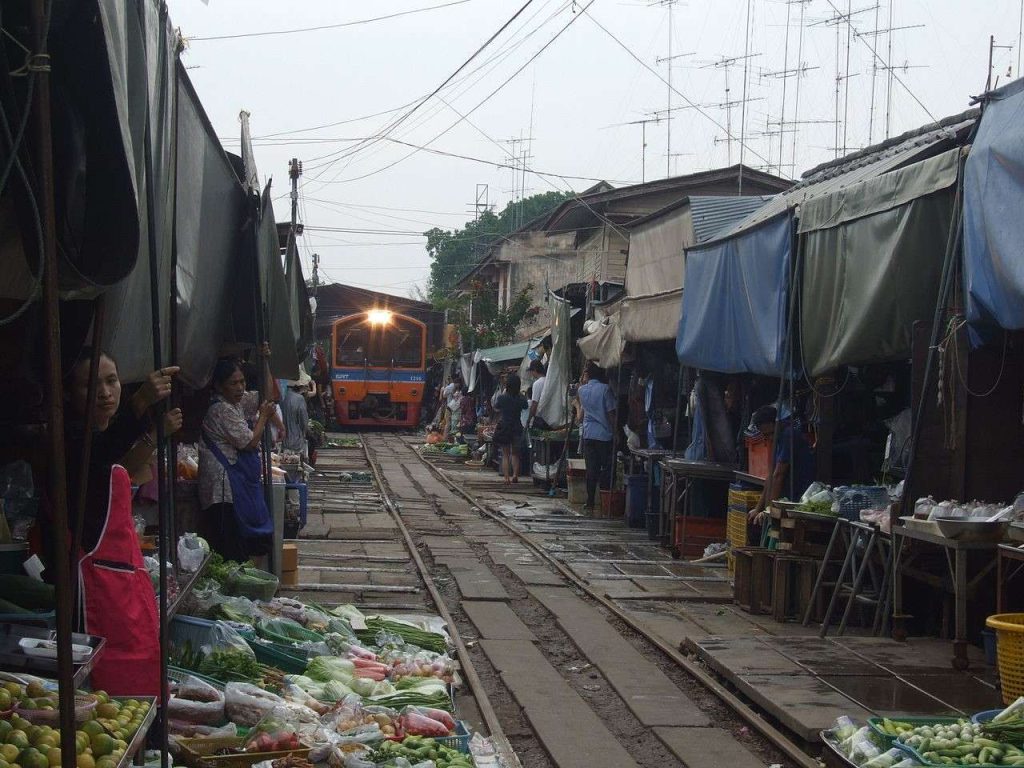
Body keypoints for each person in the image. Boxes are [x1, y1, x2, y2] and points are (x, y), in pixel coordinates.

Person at [59, 350, 181, 696]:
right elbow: (100, 453)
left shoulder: (107, 432)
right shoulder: (71, 440)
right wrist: (140, 403)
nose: (105, 392)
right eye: (90, 384)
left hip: (124, 578)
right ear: (69, 394)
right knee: (102, 684)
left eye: (111, 381)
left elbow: (122, 462)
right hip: (94, 585)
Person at [198, 354, 277, 563]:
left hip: (236, 486)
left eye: (242, 382)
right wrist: (263, 417)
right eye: (233, 383)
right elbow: (249, 442)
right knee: (231, 546)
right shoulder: (221, 409)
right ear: (219, 386)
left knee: (246, 541)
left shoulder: (236, 404)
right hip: (223, 489)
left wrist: (266, 360)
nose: (240, 387)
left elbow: (266, 397)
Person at [748, 405, 816, 523]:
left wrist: (769, 509)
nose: (769, 438)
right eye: (765, 435)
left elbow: (779, 475)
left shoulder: (788, 435)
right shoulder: (778, 439)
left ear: (776, 423)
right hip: (787, 494)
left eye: (770, 434)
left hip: (799, 496)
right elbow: (771, 476)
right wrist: (758, 508)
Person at [577, 362, 617, 510]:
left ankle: (590, 501)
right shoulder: (606, 390)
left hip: (588, 434)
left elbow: (580, 415)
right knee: (606, 468)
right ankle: (605, 501)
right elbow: (611, 414)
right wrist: (616, 432)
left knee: (591, 469)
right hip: (604, 434)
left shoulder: (581, 391)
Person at [493, 373, 528, 485]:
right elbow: (526, 406)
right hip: (517, 427)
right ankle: (515, 476)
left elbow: (496, 408)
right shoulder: (521, 399)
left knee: (505, 454)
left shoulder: (502, 398)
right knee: (515, 454)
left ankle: (506, 477)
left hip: (505, 427)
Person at [281, 382, 310, 458]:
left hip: (283, 440)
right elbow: (304, 420)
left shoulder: (285, 396)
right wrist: (305, 432)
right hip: (296, 440)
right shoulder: (300, 398)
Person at [526, 360, 548, 431]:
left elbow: (534, 404)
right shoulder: (549, 381)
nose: (531, 374)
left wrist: (528, 420)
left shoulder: (537, 383)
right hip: (550, 416)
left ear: (535, 370)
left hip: (540, 418)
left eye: (531, 371)